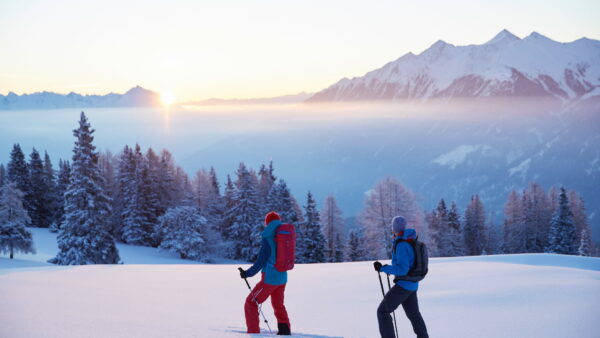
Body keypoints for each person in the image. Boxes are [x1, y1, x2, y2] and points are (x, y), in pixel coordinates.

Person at [374, 216, 429, 338]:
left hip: (404, 285)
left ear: (395, 229)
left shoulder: (402, 245)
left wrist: (383, 268)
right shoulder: (411, 240)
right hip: (412, 284)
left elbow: (402, 269)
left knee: (382, 312)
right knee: (414, 314)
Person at [240, 211, 291, 335]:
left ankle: (253, 333)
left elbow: (261, 261)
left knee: (251, 303)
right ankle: (285, 331)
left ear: (267, 223)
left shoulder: (268, 237)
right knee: (278, 305)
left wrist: (247, 273)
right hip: (282, 277)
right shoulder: (284, 235)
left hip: (270, 279)